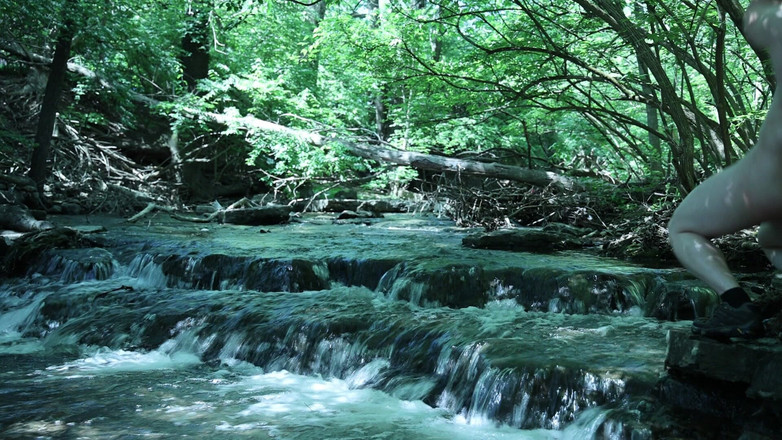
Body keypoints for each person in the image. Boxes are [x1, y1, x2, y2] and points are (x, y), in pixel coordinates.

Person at [667, 0, 782, 340]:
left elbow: (757, 21)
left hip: (767, 176)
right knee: (771, 237)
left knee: (683, 228)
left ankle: (738, 307)